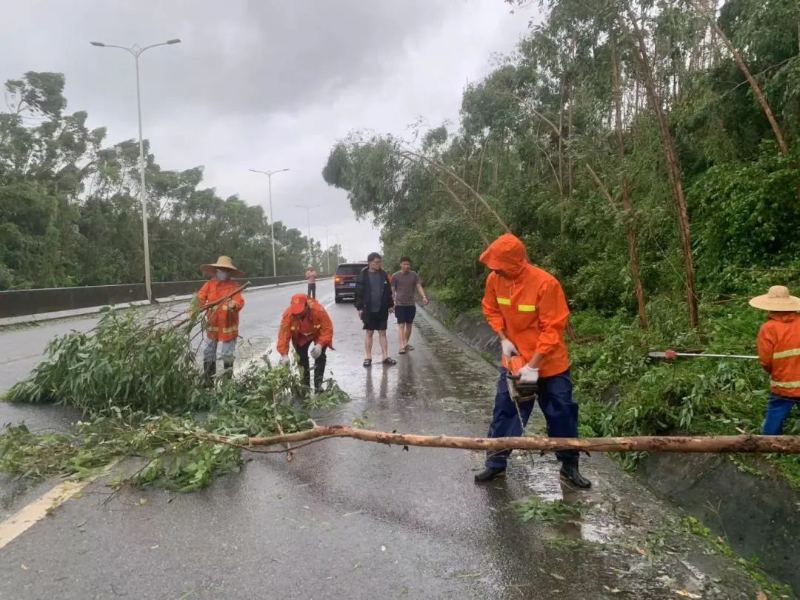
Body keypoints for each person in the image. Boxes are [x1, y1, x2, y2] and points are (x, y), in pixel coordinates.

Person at [473, 234, 591, 489]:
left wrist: (534, 365)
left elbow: (552, 329)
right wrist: (504, 338)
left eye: (499, 266)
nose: (494, 270)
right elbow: (491, 309)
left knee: (562, 413)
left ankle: (569, 466)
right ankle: (495, 464)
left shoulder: (545, 284)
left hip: (550, 364)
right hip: (515, 361)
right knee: (505, 412)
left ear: (515, 263)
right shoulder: (495, 280)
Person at [750, 285, 800, 435]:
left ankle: (770, 446)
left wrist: (773, 370)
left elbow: (765, 360)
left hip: (783, 384)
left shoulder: (769, 328)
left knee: (774, 416)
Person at [197, 256, 245, 385]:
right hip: (213, 325)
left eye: (226, 270)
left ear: (229, 272)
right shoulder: (209, 285)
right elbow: (199, 299)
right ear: (216, 270)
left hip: (229, 325)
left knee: (226, 354)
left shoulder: (234, 286)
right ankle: (208, 381)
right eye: (221, 269)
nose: (224, 272)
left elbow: (239, 300)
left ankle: (227, 383)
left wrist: (234, 305)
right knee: (208, 352)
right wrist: (194, 310)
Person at [277, 293, 334, 392]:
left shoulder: (318, 310)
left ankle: (318, 384)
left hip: (317, 334)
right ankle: (305, 385)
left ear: (306, 306)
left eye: (300, 311)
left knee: (320, 356)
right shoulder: (289, 315)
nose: (298, 314)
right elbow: (283, 335)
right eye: (296, 312)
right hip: (301, 337)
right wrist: (284, 355)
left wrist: (320, 345)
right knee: (301, 358)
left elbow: (327, 329)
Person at [355, 252, 396, 367]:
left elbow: (388, 291)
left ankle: (385, 356)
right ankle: (368, 357)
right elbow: (358, 293)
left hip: (381, 308)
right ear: (370, 262)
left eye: (379, 262)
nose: (378, 264)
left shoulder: (383, 274)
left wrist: (390, 305)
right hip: (368, 309)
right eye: (376, 262)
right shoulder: (363, 275)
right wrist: (359, 307)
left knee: (383, 332)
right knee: (369, 332)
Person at [391, 257, 428, 354]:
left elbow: (418, 286)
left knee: (409, 325)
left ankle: (406, 343)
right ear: (400, 264)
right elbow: (393, 290)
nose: (406, 266)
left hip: (411, 303)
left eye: (408, 264)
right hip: (400, 304)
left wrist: (423, 296)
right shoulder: (395, 276)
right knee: (401, 325)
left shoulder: (414, 275)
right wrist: (391, 303)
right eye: (404, 264)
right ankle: (401, 346)